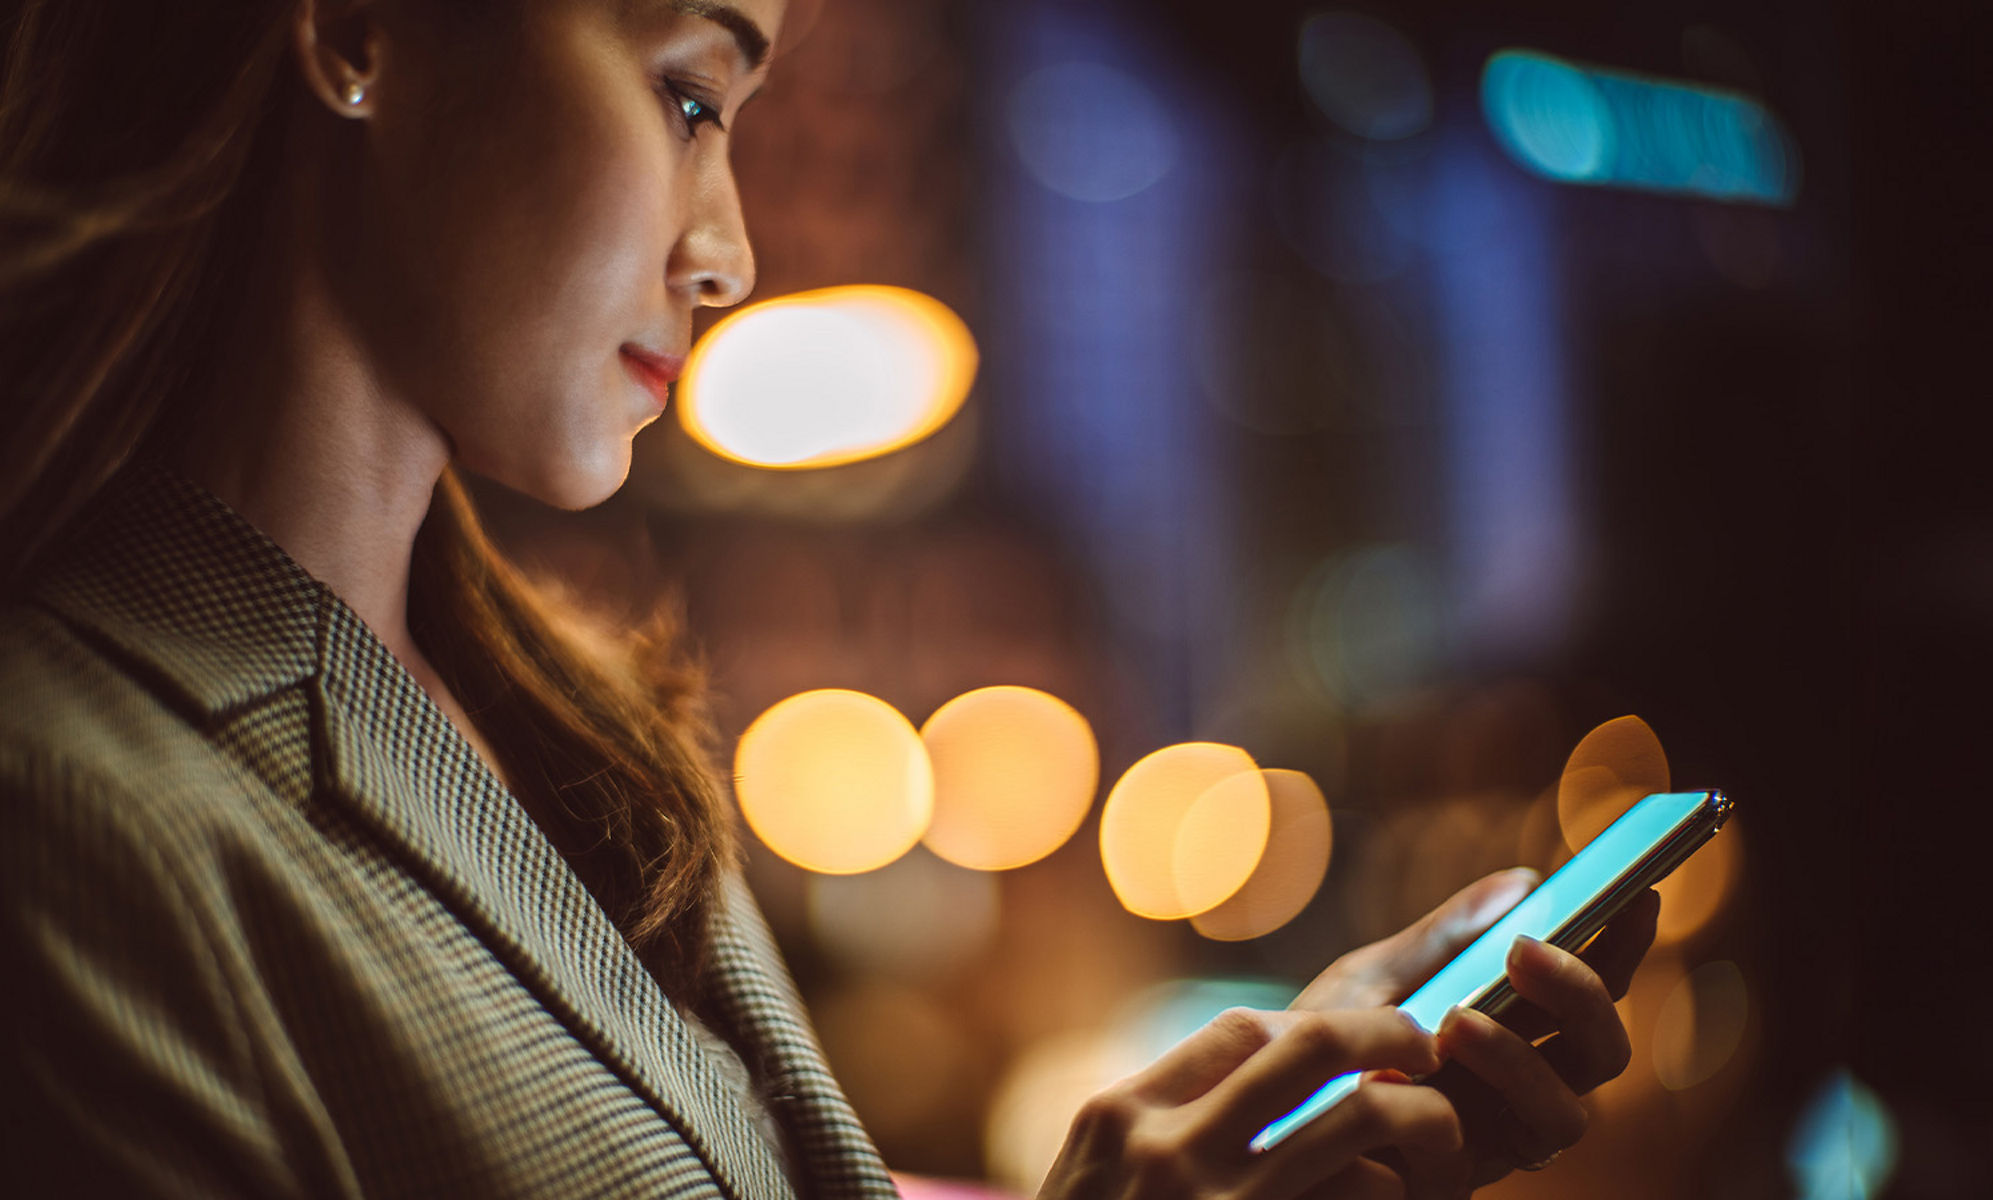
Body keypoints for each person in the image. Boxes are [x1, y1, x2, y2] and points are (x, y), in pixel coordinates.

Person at [0, 0, 1659, 1196]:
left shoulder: (574, 724)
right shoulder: (70, 809)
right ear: (360, 31)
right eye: (690, 97)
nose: (728, 255)